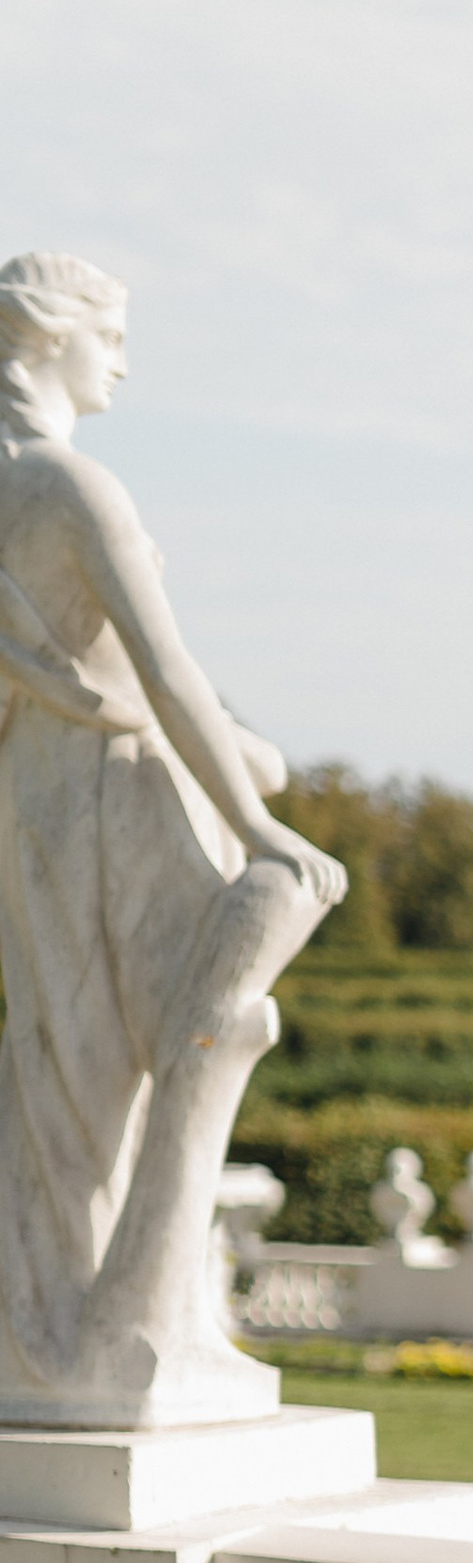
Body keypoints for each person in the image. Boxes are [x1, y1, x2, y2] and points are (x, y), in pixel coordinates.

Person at [0, 250, 345, 1426]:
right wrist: (254, 819)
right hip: (111, 799)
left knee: (65, 1071)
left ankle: (55, 1339)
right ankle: (112, 1345)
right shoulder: (71, 490)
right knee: (146, 1061)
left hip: (29, 800)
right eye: (114, 333)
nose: (128, 359)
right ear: (49, 337)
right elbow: (165, 670)